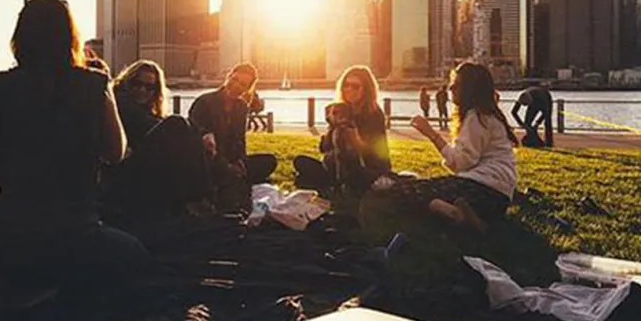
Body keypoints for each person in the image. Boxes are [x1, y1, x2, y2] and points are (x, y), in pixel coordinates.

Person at [0, 0, 149, 321]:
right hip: (77, 238)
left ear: (19, 38)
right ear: (71, 37)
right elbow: (116, 151)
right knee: (135, 256)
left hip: (9, 240)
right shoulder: (95, 85)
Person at [407, 62, 519, 232]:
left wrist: (431, 134)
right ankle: (461, 215)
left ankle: (455, 214)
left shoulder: (476, 117)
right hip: (499, 199)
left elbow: (461, 163)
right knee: (428, 194)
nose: (451, 88)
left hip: (480, 188)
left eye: (456, 85)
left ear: (470, 89)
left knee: (410, 190)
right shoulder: (490, 116)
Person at [101, 59, 213, 223]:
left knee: (186, 139)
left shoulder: (144, 111)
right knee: (177, 125)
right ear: (126, 82)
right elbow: (152, 124)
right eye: (136, 84)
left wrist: (204, 134)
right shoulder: (121, 102)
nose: (142, 90)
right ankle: (200, 199)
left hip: (137, 170)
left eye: (149, 87)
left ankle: (200, 196)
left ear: (156, 91)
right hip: (120, 174)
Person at [188, 63, 277, 211]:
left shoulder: (241, 107)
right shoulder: (204, 102)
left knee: (269, 161)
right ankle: (229, 179)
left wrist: (240, 161)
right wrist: (227, 166)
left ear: (247, 89)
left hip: (231, 159)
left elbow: (240, 141)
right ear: (228, 77)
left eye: (242, 84)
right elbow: (200, 140)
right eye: (234, 79)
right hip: (207, 158)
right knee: (223, 173)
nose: (236, 86)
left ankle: (235, 176)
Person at [293, 65, 391, 196]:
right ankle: (332, 183)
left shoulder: (374, 114)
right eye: (346, 85)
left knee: (349, 161)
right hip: (336, 165)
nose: (349, 89)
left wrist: (356, 141)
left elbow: (374, 154)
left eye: (355, 86)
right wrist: (332, 126)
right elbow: (323, 148)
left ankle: (335, 184)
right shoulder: (342, 110)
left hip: (367, 167)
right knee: (301, 162)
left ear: (366, 90)